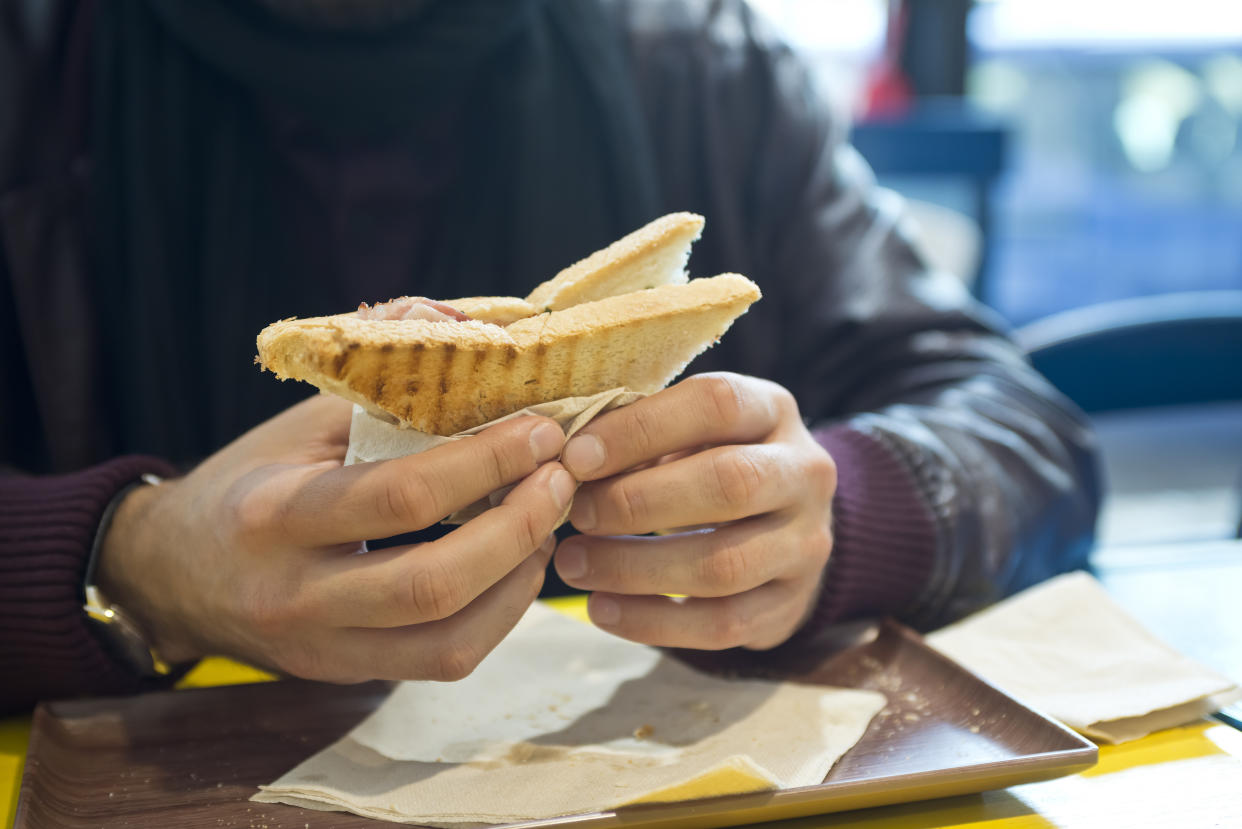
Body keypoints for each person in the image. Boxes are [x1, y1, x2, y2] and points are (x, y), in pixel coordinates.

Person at [0, 0, 1100, 714]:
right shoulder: (32, 71)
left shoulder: (707, 65)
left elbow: (1024, 428)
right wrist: (130, 562)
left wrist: (838, 510)